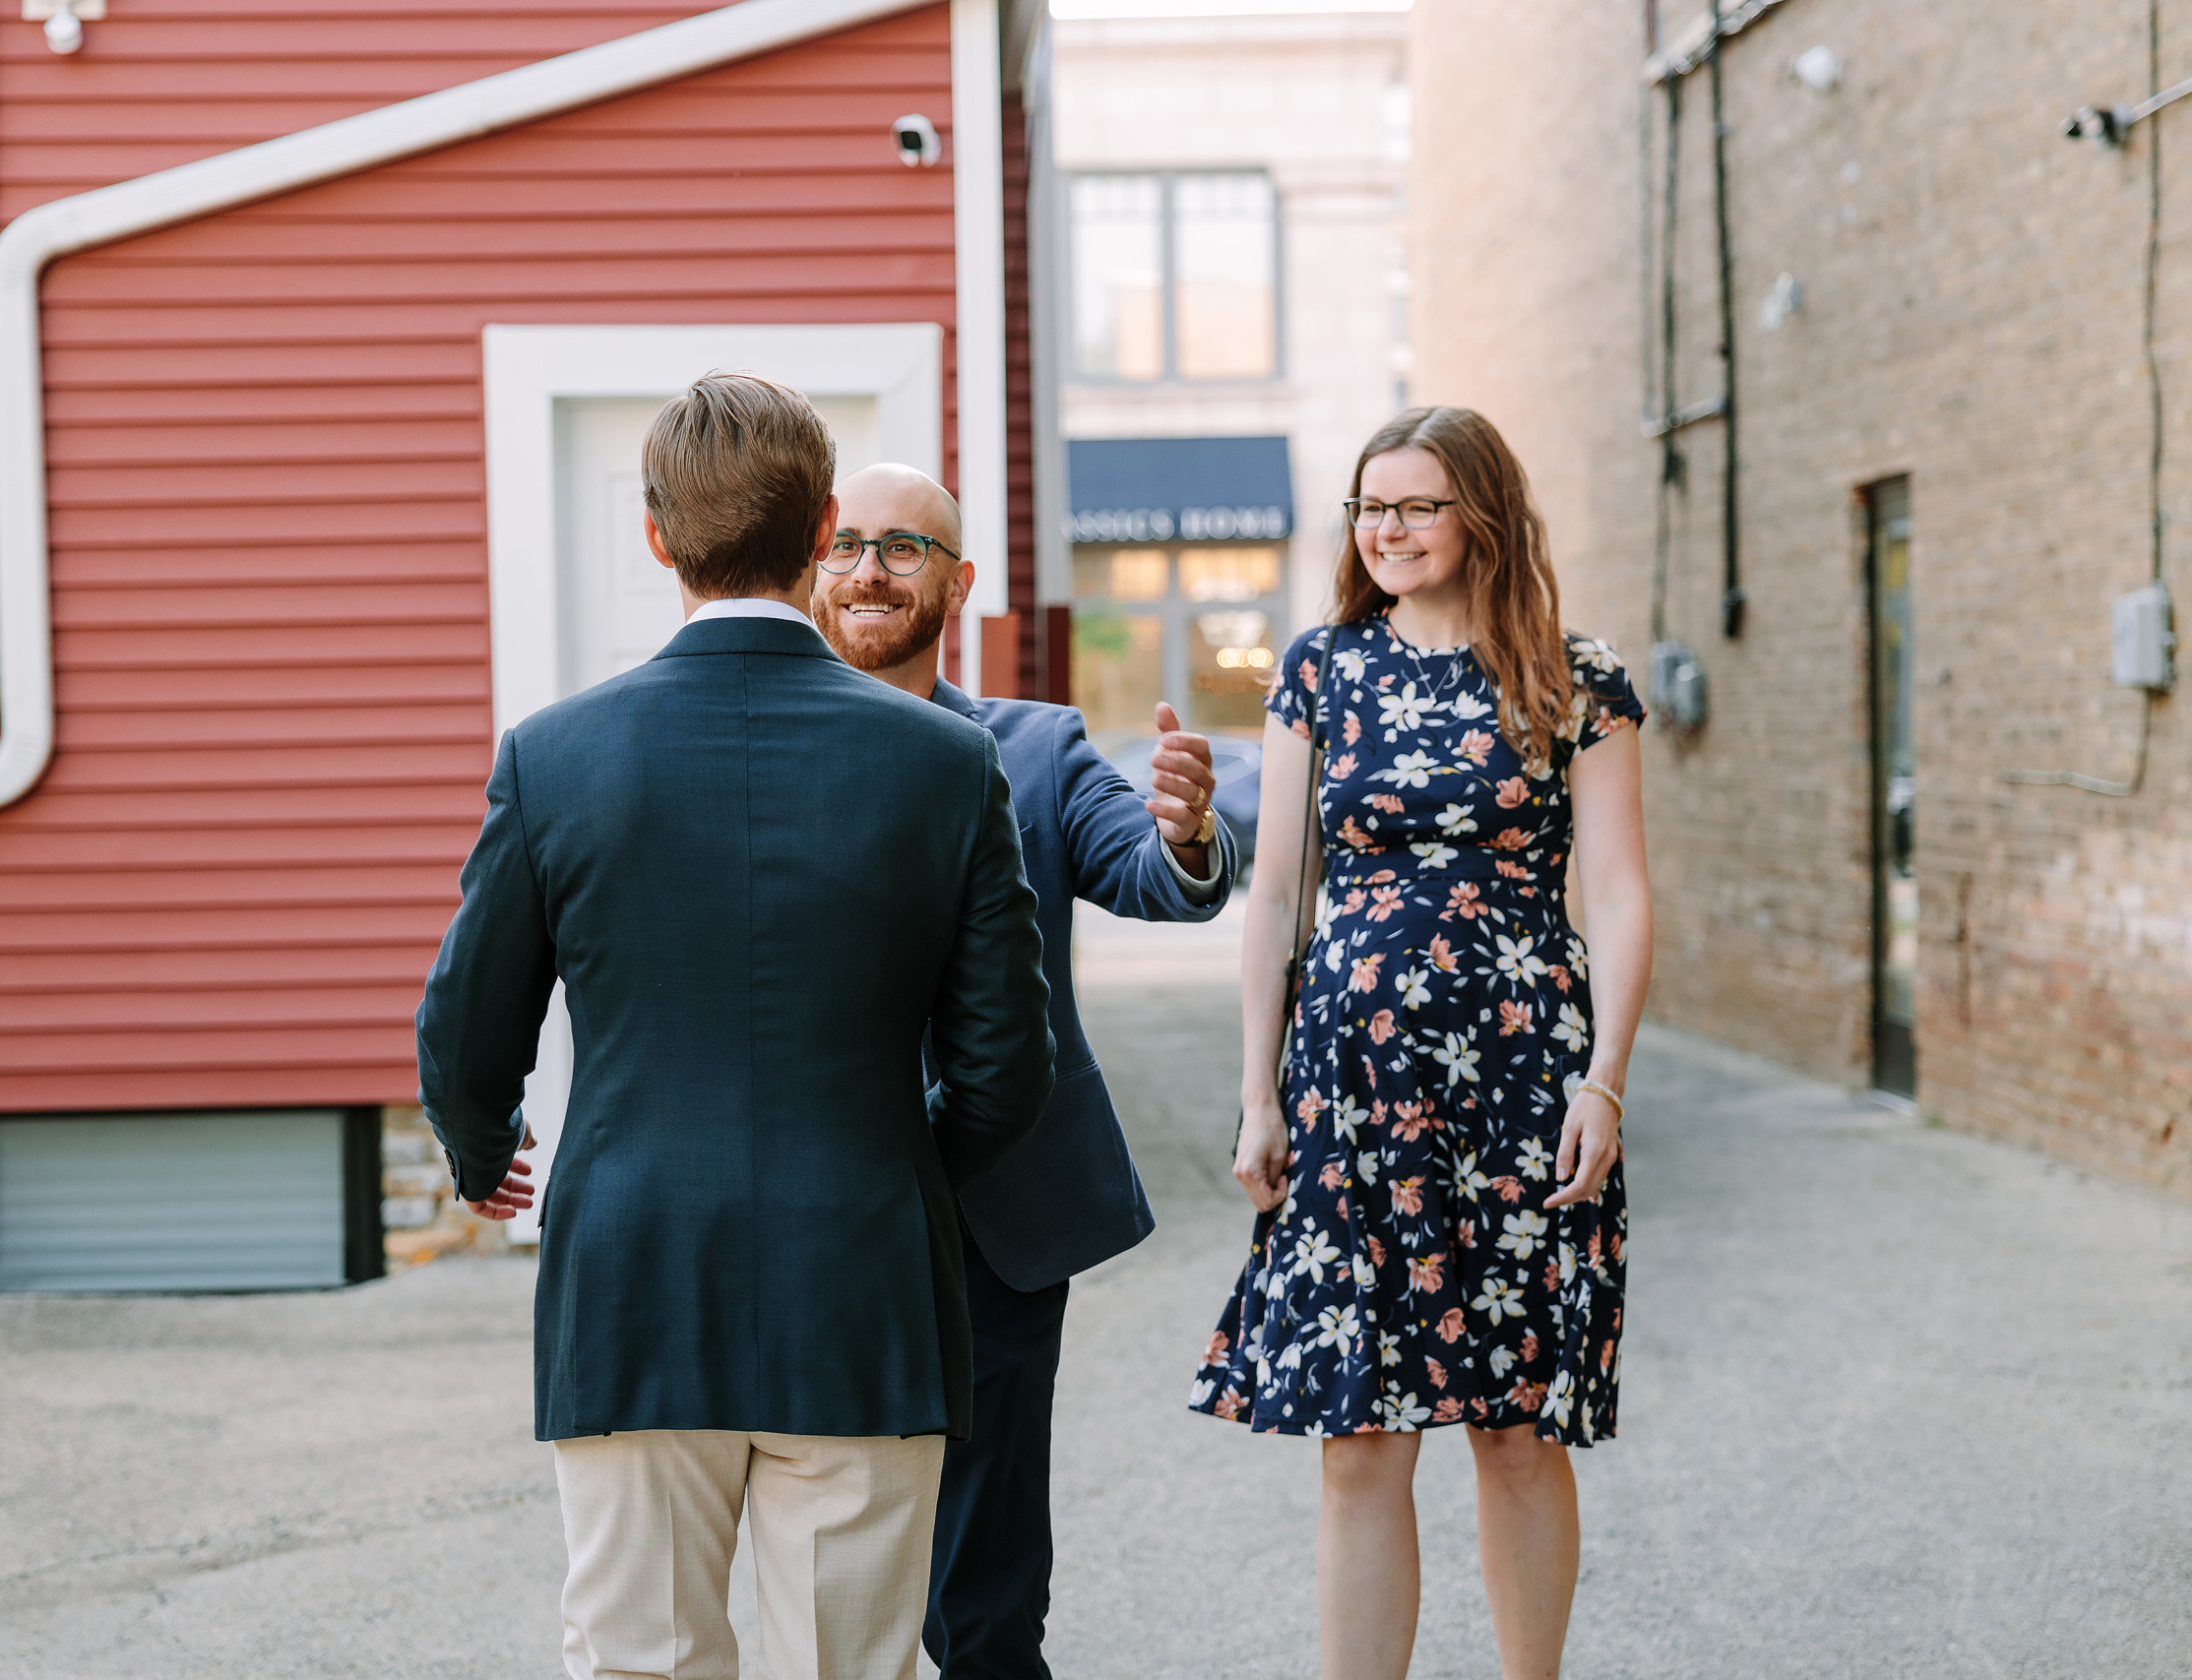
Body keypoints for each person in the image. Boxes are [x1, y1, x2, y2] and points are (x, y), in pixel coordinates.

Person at [416, 376, 1056, 1680]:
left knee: (642, 1658)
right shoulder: (945, 762)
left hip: (632, 1277)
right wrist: (894, 1165)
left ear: (657, 535)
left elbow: (464, 1028)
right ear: (824, 528)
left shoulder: (556, 754)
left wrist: (486, 1151)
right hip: (868, 1280)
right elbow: (1005, 1066)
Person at [1190, 405, 1654, 1680]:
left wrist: (1604, 1078)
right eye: (1369, 507)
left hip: (1524, 1084)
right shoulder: (1322, 670)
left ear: (1482, 517)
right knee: (1363, 1433)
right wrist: (1257, 1093)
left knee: (1514, 1427)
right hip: (1354, 1090)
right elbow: (1276, 891)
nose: (1386, 529)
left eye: (1417, 505)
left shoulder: (1574, 676)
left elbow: (1616, 893)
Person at [810, 463, 1236, 1679]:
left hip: (994, 1205)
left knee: (988, 1582)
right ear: (809, 569)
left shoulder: (1038, 748)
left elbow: (1156, 880)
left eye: (905, 545)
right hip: (815, 1194)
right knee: (830, 1539)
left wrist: (1188, 832)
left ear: (960, 582)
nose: (872, 566)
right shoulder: (755, 745)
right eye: (846, 544)